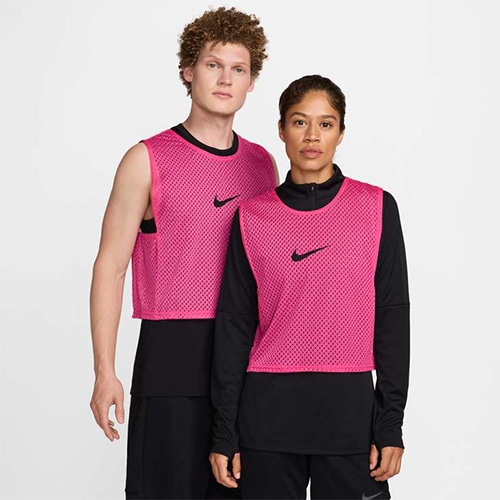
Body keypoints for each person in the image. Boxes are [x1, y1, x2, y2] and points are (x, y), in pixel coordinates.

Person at [89, 7, 278, 499]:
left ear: (251, 81)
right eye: (213, 65)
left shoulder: (263, 165)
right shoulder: (146, 159)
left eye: (238, 69)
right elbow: (110, 267)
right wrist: (105, 371)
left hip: (246, 357)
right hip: (172, 353)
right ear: (188, 70)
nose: (225, 79)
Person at [209, 74, 410, 499]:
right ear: (282, 130)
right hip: (267, 417)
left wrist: (390, 423)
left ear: (341, 132)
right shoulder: (252, 217)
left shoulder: (376, 207)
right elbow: (234, 325)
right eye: (300, 122)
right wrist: (224, 431)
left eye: (326, 123)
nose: (312, 136)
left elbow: (392, 318)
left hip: (350, 418)